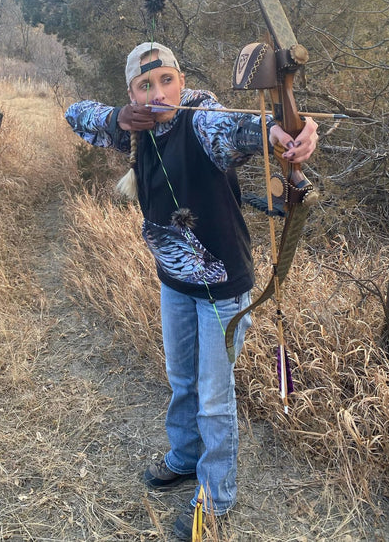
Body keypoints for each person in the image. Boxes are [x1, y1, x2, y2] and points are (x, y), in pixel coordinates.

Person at [65, 41, 318, 539]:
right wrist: (121, 117)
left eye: (167, 81)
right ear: (133, 93)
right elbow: (76, 115)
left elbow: (235, 128)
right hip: (174, 281)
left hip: (222, 287)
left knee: (214, 396)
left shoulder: (200, 119)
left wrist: (279, 132)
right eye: (145, 85)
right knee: (181, 379)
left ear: (181, 81)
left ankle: (216, 495)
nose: (159, 93)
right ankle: (184, 457)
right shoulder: (135, 129)